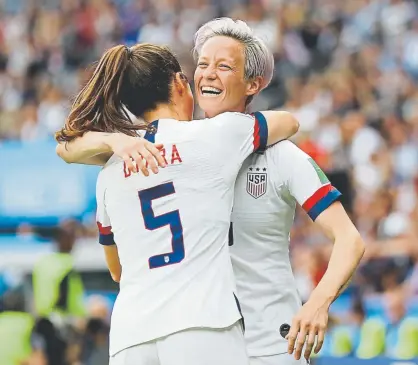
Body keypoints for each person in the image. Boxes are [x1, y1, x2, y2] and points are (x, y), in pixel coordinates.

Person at [56, 18, 365, 365]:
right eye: (202, 64)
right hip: (204, 333)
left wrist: (318, 303)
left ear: (254, 83)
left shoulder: (280, 154)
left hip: (274, 345)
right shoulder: (193, 145)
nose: (208, 74)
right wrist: (113, 139)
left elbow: (348, 238)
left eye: (224, 66)